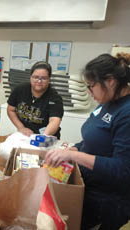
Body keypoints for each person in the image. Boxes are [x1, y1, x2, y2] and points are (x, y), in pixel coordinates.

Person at [45, 53, 130, 230]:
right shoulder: (107, 102)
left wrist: (73, 155)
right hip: (89, 189)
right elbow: (95, 139)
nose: (89, 93)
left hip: (108, 201)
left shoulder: (126, 112)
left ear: (110, 81)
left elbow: (122, 169)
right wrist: (76, 148)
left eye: (91, 87)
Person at [7, 61, 64, 139]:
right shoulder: (20, 90)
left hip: (47, 138)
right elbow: (11, 110)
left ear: (49, 79)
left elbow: (54, 121)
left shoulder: (54, 98)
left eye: (43, 78)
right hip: (25, 135)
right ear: (30, 77)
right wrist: (21, 128)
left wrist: (43, 137)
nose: (39, 81)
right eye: (36, 77)